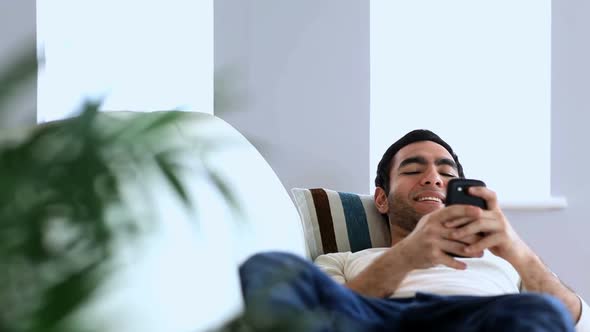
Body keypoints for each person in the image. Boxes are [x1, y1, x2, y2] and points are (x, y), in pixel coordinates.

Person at [239, 129, 590, 332]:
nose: (433, 178)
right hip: (377, 321)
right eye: (412, 169)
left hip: (479, 320)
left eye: (446, 173)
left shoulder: (508, 263)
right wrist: (407, 257)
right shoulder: (343, 259)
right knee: (269, 267)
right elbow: (320, 316)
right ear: (382, 199)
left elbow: (577, 321)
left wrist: (516, 249)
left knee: (541, 312)